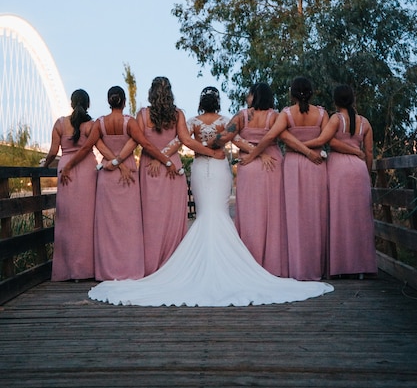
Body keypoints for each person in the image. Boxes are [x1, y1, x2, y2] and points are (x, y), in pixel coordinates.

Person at [87, 87, 334, 307]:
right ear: (217, 103)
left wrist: (163, 155)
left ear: (201, 102)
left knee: (206, 213)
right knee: (218, 212)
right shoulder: (227, 120)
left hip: (198, 168)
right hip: (218, 168)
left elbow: (181, 142)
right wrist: (252, 152)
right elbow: (235, 139)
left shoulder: (193, 121)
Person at [59, 85, 185, 281]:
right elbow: (141, 143)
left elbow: (88, 147)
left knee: (107, 226)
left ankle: (106, 271)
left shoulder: (99, 123)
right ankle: (130, 270)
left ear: (108, 101)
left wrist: (72, 166)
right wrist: (122, 163)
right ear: (124, 101)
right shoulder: (131, 122)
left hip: (107, 176)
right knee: (130, 225)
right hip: (129, 175)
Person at [113, 77, 226, 276]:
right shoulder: (177, 114)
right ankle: (175, 266)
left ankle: (152, 266)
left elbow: (136, 142)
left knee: (151, 219)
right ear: (170, 93)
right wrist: (212, 153)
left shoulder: (143, 114)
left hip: (150, 170)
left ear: (151, 92)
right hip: (173, 169)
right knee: (173, 219)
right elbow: (186, 142)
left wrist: (116, 161)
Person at [242, 77, 329, 281]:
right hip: (317, 165)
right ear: (312, 93)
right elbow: (326, 138)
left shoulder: (287, 114)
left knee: (293, 215)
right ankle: (318, 266)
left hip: (293, 164)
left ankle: (296, 267)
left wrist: (254, 155)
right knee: (317, 214)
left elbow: (273, 136)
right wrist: (311, 151)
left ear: (291, 94)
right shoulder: (323, 114)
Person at [210, 82, 289, 277]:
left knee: (249, 214)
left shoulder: (241, 116)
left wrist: (210, 143)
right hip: (273, 165)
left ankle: (247, 264)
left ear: (255, 95)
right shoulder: (276, 117)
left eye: (249, 93)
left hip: (248, 166)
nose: (246, 97)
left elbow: (221, 139)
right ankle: (274, 266)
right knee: (273, 214)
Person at [303, 84, 377, 278]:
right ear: (352, 99)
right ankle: (363, 267)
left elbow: (325, 141)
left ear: (336, 101)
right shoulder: (365, 123)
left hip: (338, 170)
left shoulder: (336, 119)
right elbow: (368, 152)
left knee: (339, 217)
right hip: (359, 170)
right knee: (360, 218)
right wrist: (367, 173)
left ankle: (341, 268)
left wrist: (299, 144)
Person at [42, 89, 98, 281]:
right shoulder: (91, 125)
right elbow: (94, 148)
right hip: (87, 170)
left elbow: (52, 151)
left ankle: (66, 270)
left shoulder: (60, 123)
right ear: (88, 104)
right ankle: (87, 269)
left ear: (71, 103)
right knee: (87, 219)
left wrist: (45, 165)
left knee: (67, 219)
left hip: (65, 167)